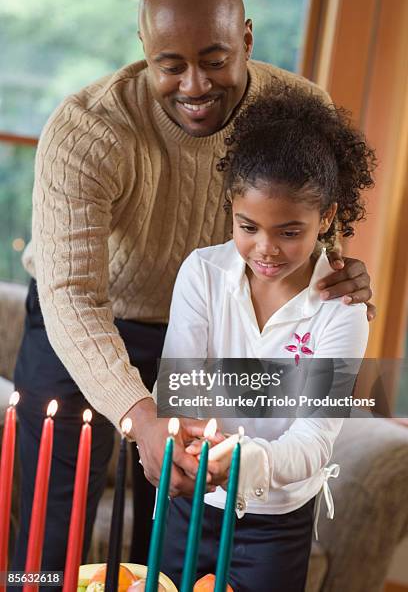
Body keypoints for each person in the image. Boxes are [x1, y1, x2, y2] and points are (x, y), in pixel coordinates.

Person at [12, 0, 375, 578]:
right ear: (143, 47)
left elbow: (306, 220)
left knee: (161, 531)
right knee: (51, 533)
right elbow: (71, 295)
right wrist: (137, 413)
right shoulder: (86, 130)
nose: (195, 86)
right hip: (85, 323)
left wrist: (339, 274)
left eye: (215, 60)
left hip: (204, 328)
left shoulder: (295, 110)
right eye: (170, 65)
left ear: (247, 38)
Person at [159, 83, 375, 591]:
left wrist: (246, 459)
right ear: (232, 208)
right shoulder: (202, 274)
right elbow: (180, 393)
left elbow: (314, 439)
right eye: (247, 226)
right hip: (191, 505)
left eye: (290, 231)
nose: (266, 249)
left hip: (276, 521)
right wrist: (196, 454)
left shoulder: (342, 311)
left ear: (325, 219)